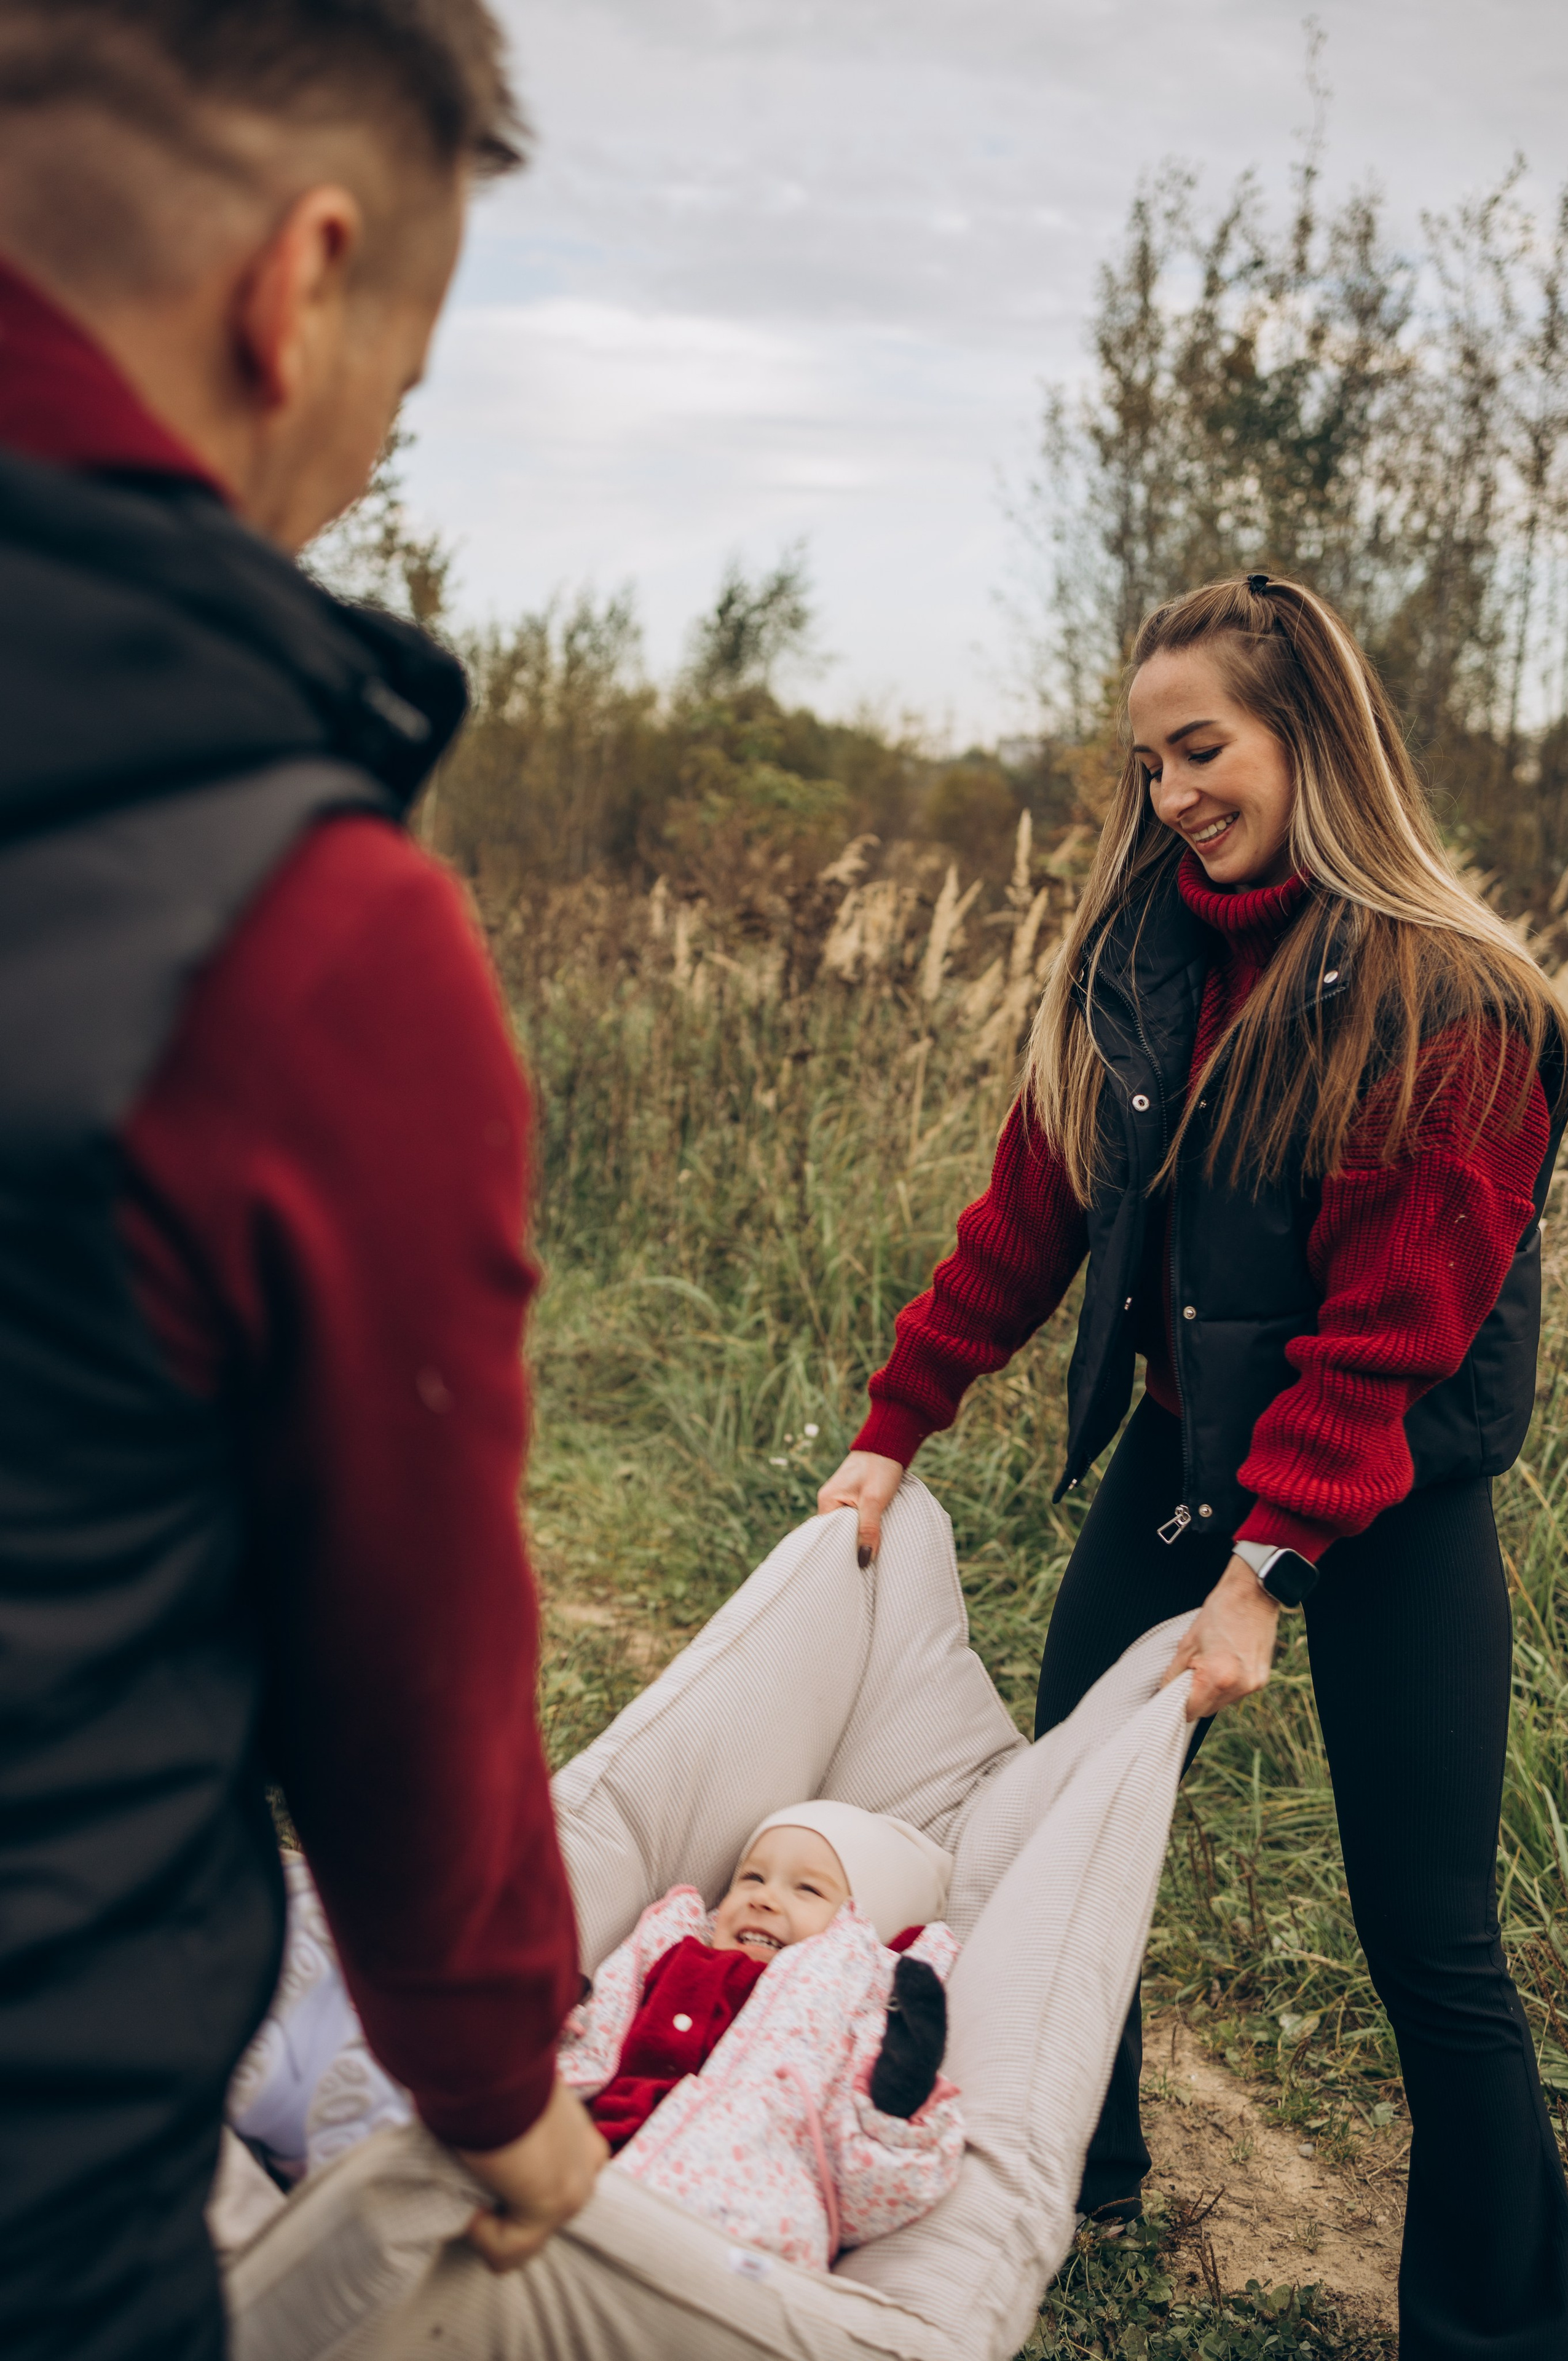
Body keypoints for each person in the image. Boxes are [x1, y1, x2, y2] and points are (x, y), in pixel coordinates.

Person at [0, 7, 603, 2357]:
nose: (356, 469)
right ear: (300, 283)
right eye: (400, 384)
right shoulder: (298, 931)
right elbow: (407, 1637)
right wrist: (493, 2074)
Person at [818, 574, 1568, 2361]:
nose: (1169, 793)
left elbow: (1390, 1334)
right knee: (1050, 1835)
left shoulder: (1452, 1001)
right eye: (1147, 758)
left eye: (1203, 748)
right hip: (1179, 1454)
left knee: (1429, 1931)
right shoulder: (1137, 959)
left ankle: (1505, 2321)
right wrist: (888, 1424)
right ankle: (1067, 2173)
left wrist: (1263, 1574)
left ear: (1308, 739)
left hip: (1384, 1495)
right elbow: (1032, 1211)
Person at [228, 1805, 963, 2273]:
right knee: (461, 2172)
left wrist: (891, 2105)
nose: (764, 1895)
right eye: (751, 1877)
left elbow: (868, 2184)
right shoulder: (676, 1949)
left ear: (859, 1932)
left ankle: (314, 2100)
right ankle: (329, 2122)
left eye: (807, 1891)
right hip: (591, 2157)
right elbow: (604, 2027)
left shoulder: (851, 2001)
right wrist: (552, 2023)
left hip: (735, 2222)